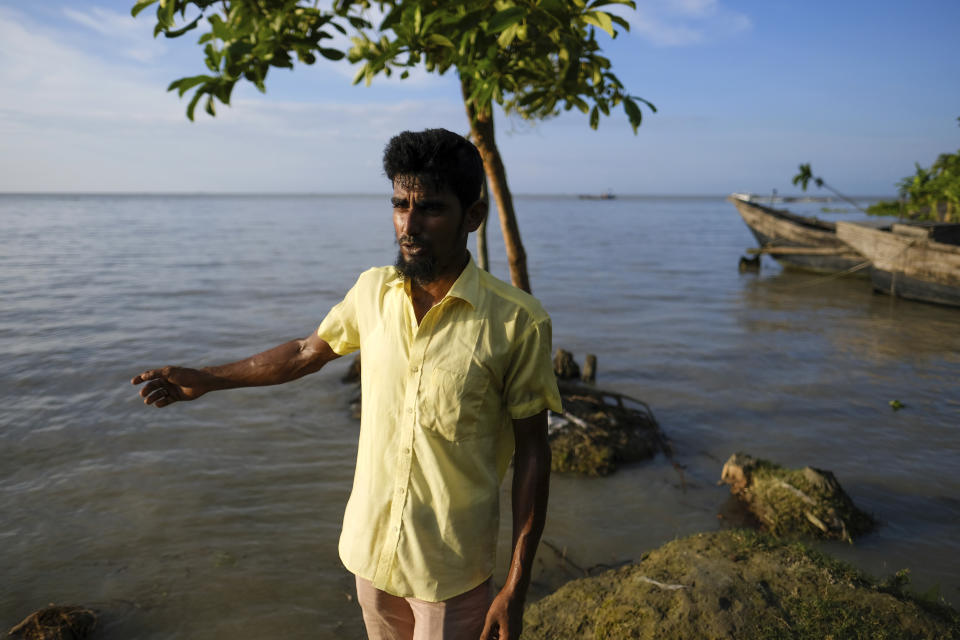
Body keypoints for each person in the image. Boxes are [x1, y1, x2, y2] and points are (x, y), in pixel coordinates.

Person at [131, 128, 562, 640]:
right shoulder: (373, 291)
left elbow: (534, 454)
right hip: (369, 555)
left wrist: (516, 584)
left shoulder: (517, 322)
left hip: (451, 571)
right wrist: (206, 379)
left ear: (472, 216)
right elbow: (302, 354)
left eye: (431, 209)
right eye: (400, 204)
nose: (409, 224)